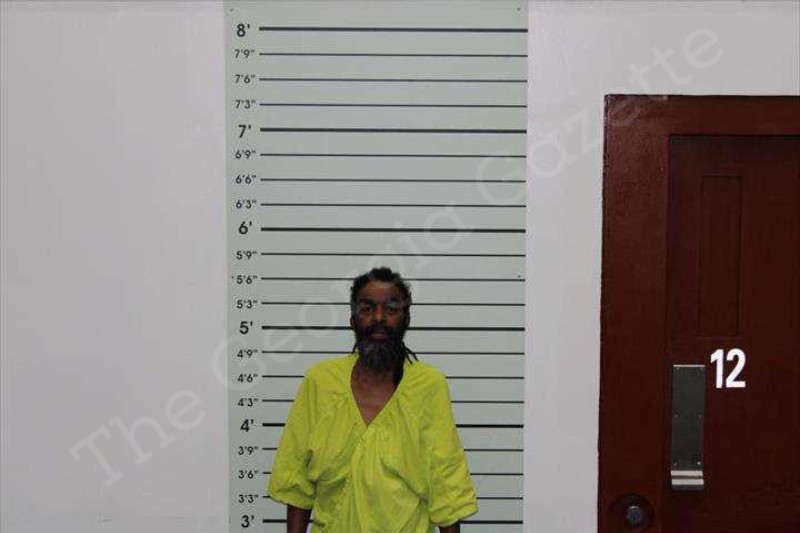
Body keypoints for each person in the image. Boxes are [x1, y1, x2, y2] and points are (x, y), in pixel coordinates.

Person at [267, 266, 478, 532]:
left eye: (391, 309)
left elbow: (447, 485)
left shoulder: (428, 386)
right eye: (367, 308)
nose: (379, 318)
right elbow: (296, 481)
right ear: (352, 320)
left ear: (406, 320)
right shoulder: (320, 382)